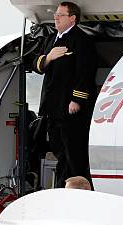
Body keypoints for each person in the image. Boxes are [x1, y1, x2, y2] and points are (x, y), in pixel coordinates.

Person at [33, 1, 97, 188]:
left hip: (69, 106)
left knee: (74, 151)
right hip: (52, 106)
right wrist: (49, 57)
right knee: (58, 149)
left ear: (72, 18)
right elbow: (36, 64)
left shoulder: (81, 41)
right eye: (56, 14)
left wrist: (77, 99)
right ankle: (63, 186)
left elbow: (85, 72)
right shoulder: (50, 40)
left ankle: (79, 186)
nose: (56, 17)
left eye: (60, 15)